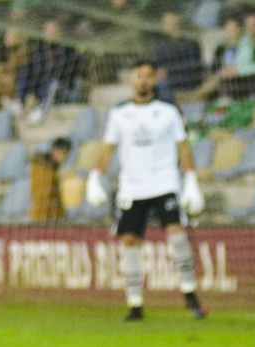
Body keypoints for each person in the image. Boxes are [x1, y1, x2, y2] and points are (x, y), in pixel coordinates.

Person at [85, 60, 207, 321]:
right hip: (132, 187)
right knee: (130, 241)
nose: (143, 81)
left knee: (176, 234)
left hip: (164, 183)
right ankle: (135, 304)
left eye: (148, 76)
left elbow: (183, 147)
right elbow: (108, 148)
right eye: (138, 76)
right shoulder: (120, 114)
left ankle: (189, 294)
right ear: (132, 80)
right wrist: (95, 177)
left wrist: (191, 180)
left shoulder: (168, 112)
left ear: (155, 80)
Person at [29, 137, 70, 223]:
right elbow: (44, 198)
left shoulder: (52, 169)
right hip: (43, 219)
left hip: (49, 218)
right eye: (64, 153)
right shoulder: (44, 170)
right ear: (56, 151)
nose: (66, 157)